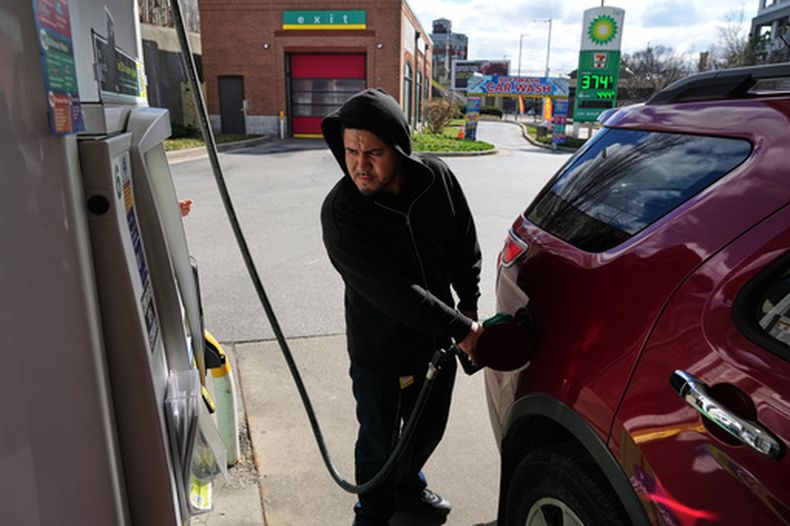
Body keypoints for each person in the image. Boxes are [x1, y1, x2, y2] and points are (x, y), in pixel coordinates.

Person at [320, 88, 483, 526]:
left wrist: (469, 306)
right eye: (351, 150)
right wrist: (462, 327)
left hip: (436, 345)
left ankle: (408, 490)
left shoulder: (437, 180)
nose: (359, 164)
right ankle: (371, 513)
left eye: (372, 152)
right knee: (378, 439)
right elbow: (394, 291)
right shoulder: (341, 211)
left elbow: (464, 247)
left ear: (399, 150)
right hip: (380, 350)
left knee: (426, 428)